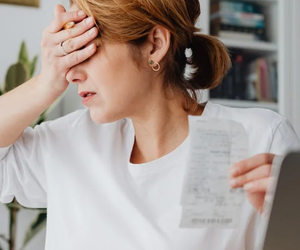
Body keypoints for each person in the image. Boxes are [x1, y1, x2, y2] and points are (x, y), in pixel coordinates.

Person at [0, 0, 299, 249]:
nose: (71, 73)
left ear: (154, 44)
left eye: (87, 47)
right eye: (68, 51)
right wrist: (43, 84)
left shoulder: (260, 139)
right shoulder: (68, 142)